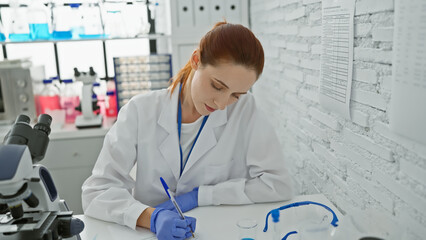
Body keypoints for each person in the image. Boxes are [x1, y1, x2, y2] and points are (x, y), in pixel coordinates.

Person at [81, 21, 293, 240]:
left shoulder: (244, 111)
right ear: (195, 60)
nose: (221, 104)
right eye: (218, 86)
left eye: (235, 95)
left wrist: (200, 196)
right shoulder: (140, 111)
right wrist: (150, 217)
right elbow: (96, 192)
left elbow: (278, 185)